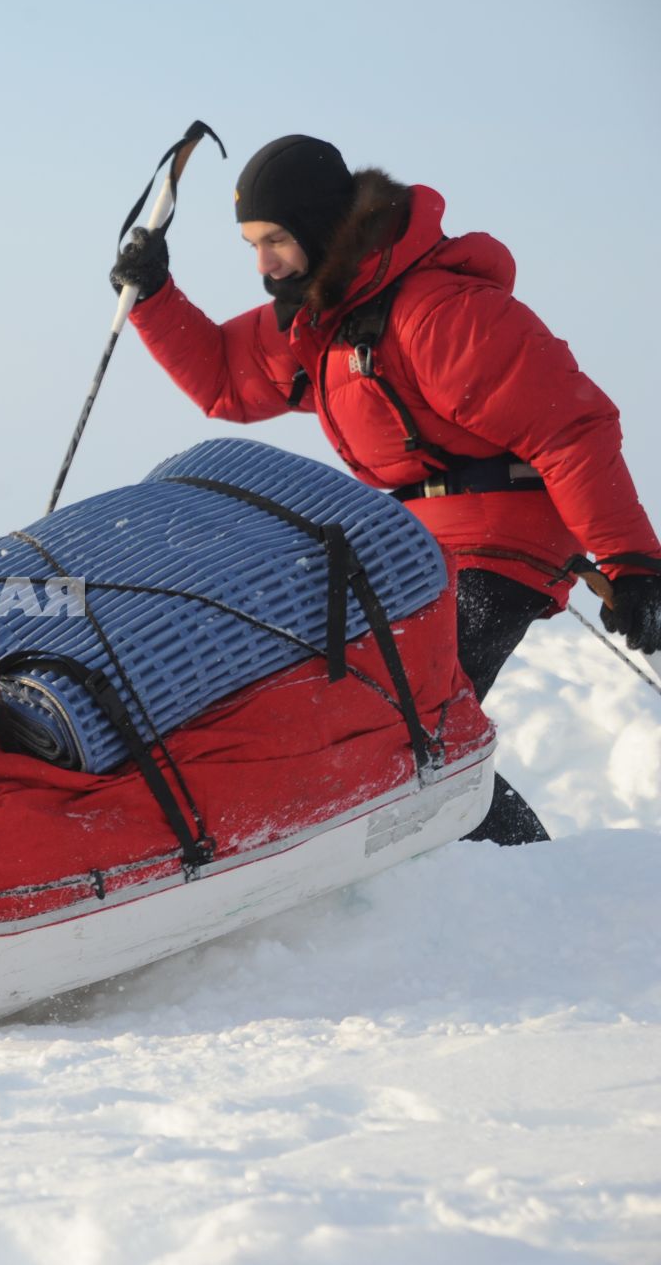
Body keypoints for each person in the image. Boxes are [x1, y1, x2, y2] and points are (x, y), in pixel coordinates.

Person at [109, 134, 661, 845]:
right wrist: (154, 296)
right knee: (364, 712)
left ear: (318, 226)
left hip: (500, 544)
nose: (262, 262)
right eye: (251, 243)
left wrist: (632, 562)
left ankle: (525, 875)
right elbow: (223, 376)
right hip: (418, 551)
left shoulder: (439, 314)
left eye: (275, 239)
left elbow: (571, 427)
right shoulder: (323, 319)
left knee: (403, 723)